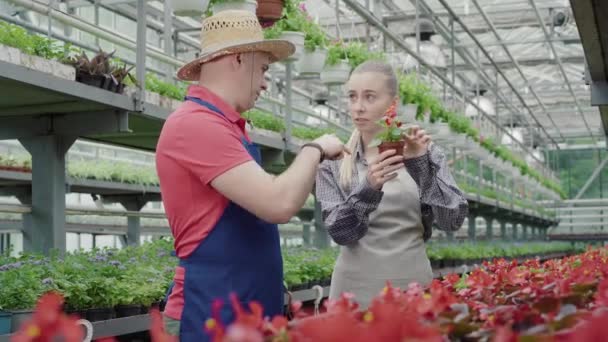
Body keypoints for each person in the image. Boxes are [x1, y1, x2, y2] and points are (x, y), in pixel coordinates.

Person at [155, 10, 348, 341]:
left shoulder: (227, 127)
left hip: (242, 309)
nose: (265, 82)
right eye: (263, 68)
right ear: (238, 59)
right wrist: (313, 149)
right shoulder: (196, 124)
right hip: (209, 314)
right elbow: (278, 203)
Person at [315, 60, 468, 309]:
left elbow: (452, 221)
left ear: (392, 103)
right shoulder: (334, 161)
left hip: (412, 288)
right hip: (353, 292)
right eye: (352, 97)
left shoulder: (426, 152)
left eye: (370, 97)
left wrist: (420, 165)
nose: (358, 107)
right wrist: (368, 187)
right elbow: (340, 233)